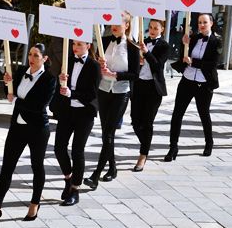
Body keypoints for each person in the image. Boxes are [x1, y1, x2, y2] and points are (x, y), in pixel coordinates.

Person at [0, 44, 56, 224]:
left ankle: (34, 204)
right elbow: (9, 93)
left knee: (36, 165)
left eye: (36, 55)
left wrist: (16, 98)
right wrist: (7, 83)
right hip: (17, 126)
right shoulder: (21, 70)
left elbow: (39, 105)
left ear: (45, 59)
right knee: (7, 166)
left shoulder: (49, 79)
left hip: (38, 128)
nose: (31, 58)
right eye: (30, 54)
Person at [89, 13, 141, 188]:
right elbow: (96, 66)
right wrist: (98, 64)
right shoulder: (103, 42)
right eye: (111, 22)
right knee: (106, 134)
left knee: (109, 133)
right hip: (103, 91)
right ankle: (112, 168)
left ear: (126, 25)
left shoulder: (133, 47)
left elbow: (135, 74)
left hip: (121, 92)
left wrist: (115, 75)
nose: (114, 25)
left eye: (118, 22)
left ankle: (95, 175)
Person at [53, 38, 101, 207]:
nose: (75, 47)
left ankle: (75, 189)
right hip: (67, 110)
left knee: (77, 150)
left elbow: (92, 95)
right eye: (74, 44)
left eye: (80, 44)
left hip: (85, 113)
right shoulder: (68, 62)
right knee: (59, 147)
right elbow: (62, 87)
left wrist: (71, 93)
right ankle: (68, 178)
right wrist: (61, 81)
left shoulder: (94, 66)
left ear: (88, 45)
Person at [167, 13, 220, 160]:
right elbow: (184, 56)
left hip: (204, 83)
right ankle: (173, 147)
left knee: (204, 114)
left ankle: (209, 142)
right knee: (177, 114)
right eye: (199, 22)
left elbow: (212, 64)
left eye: (204, 22)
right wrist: (184, 44)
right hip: (187, 80)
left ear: (211, 23)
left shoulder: (216, 42)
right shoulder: (195, 38)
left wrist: (193, 62)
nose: (201, 25)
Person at [131, 18, 170, 171]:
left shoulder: (164, 46)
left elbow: (158, 65)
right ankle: (146, 143)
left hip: (154, 88)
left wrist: (146, 53)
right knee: (135, 121)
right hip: (139, 85)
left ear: (162, 30)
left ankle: (143, 154)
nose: (153, 30)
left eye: (156, 28)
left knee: (147, 122)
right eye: (151, 27)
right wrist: (138, 59)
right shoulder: (142, 41)